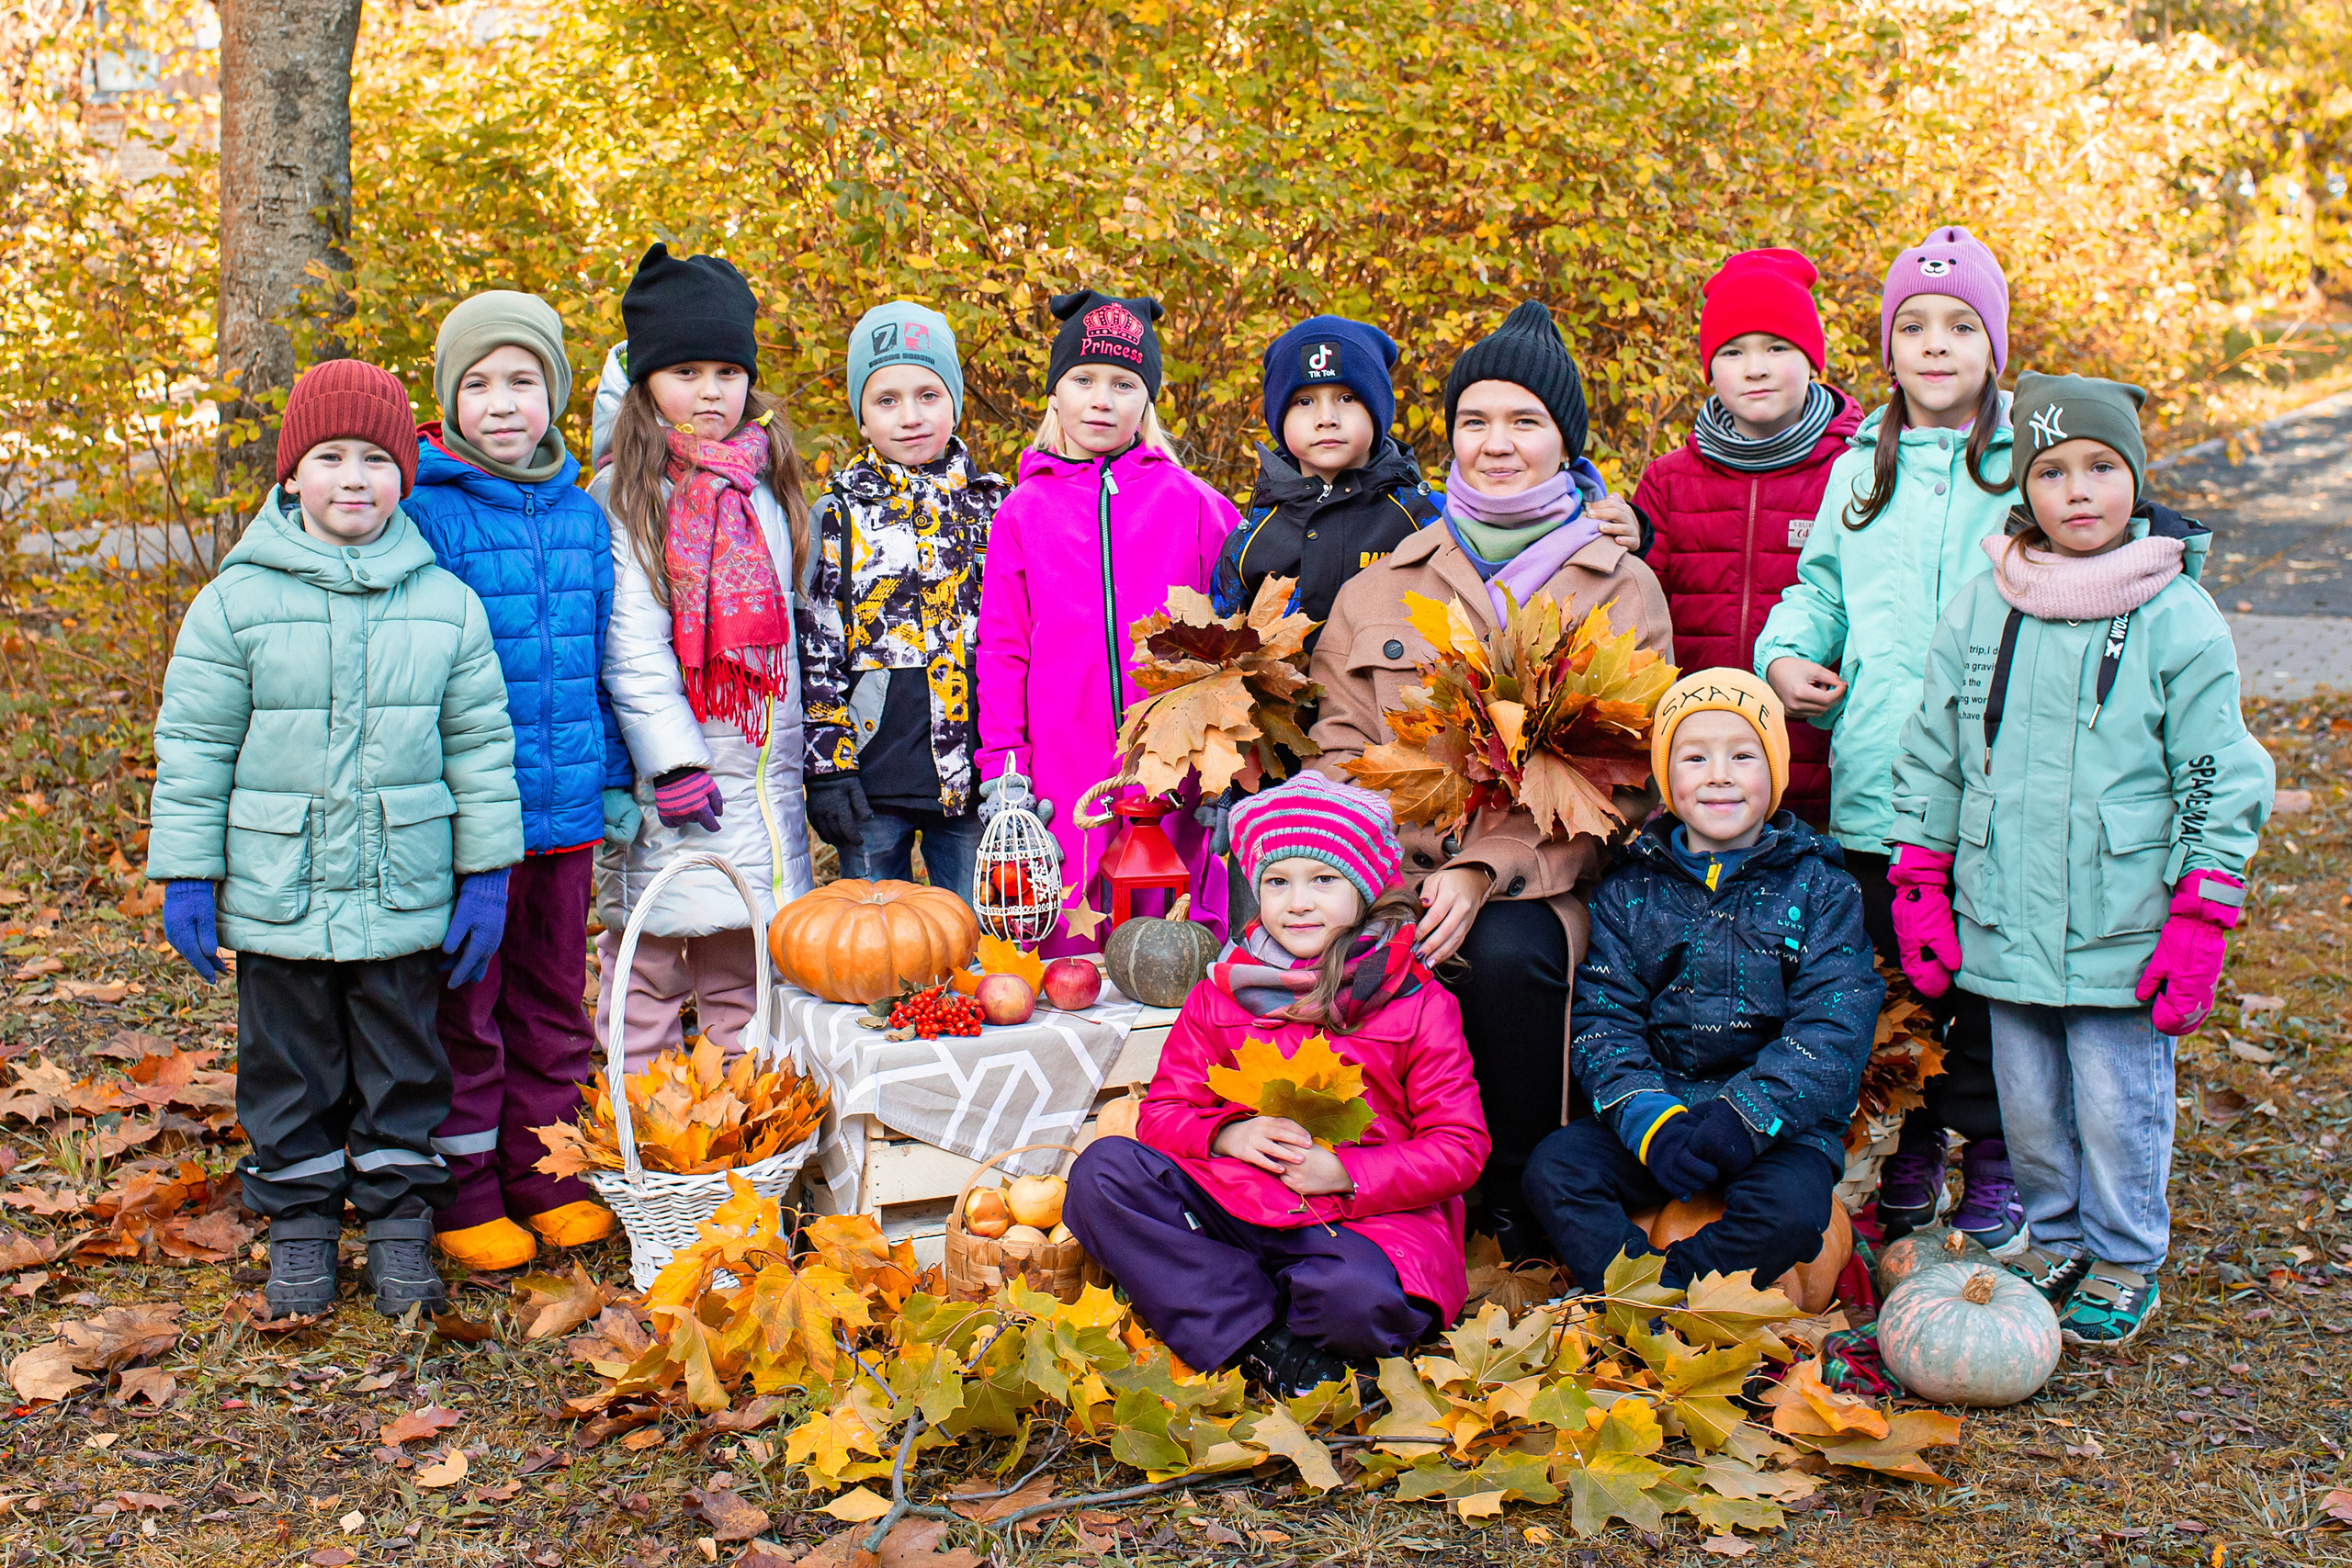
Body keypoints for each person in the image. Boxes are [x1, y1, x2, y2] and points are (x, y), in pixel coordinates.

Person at [1890, 372, 2272, 1346]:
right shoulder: (1985, 605)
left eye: (2101, 466)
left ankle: (2124, 1255)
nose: (2078, 491)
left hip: (2123, 919)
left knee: (2114, 1102)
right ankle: (2056, 1237)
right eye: (2052, 471)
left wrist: (2202, 910)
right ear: (2026, 487)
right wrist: (1921, 873)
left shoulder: (2176, 616)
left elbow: (2218, 773)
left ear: (2135, 477)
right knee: (2026, 1104)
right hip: (2005, 912)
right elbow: (1934, 751)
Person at [148, 359, 522, 1318]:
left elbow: (481, 748)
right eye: (330, 457)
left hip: (404, 883)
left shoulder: (445, 604)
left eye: (375, 459)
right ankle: (303, 1223)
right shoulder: (234, 603)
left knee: (406, 1063)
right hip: (280, 882)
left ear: (406, 475)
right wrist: (188, 871)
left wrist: (485, 874)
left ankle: (399, 1222)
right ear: (290, 473)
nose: (353, 478)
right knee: (288, 1065)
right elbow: (194, 746)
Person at [1308, 299, 1671, 1257]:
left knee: (1502, 954)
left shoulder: (1618, 585)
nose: (1496, 443)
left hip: (1543, 880)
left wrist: (1483, 868)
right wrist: (1380, 877)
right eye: (1475, 420)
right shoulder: (1383, 584)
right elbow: (1337, 746)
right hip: (1388, 869)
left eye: (1524, 422)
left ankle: (1512, 1206)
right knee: (1345, 951)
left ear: (1565, 443)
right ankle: (1371, 1200)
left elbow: (1622, 779)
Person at [1752, 225, 2023, 1252]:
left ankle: (1992, 1154)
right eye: (1913, 326)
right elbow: (1819, 587)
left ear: (1994, 345)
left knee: (1989, 979)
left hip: (1998, 780)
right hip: (1879, 777)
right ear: (1887, 347)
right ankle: (1908, 1143)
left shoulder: (2025, 462)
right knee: (1898, 978)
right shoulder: (1860, 467)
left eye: (1960, 326)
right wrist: (1788, 656)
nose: (1935, 345)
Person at [1063, 772, 1487, 1393]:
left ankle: (1233, 1313)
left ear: (1366, 887)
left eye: (1324, 879)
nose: (1298, 902)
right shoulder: (1221, 992)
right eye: (1277, 881)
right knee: (1102, 1174)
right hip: (1236, 1200)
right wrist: (1228, 1134)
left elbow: (1459, 1146)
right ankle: (1268, 1344)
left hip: (1360, 1222)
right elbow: (1163, 1112)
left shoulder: (1417, 1001)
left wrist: (1347, 1173)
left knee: (1356, 1300)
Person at [1521, 671, 1882, 1293]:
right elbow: (1605, 1023)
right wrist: (1650, 1121)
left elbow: (1832, 1030)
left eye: (1743, 756)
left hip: (1774, 1128)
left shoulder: (1823, 889)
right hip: (1664, 1116)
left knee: (1793, 1215)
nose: (1719, 775)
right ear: (1666, 778)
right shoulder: (1630, 890)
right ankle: (1637, 1285)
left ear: (1775, 773)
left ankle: (1666, 1291)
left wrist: (1744, 1117)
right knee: (1553, 1171)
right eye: (1695, 758)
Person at [404, 291, 627, 1271]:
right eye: (479, 383)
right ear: (449, 400)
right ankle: (465, 1188)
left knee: (552, 998)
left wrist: (612, 776)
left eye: (524, 381)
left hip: (566, 809)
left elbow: (600, 660)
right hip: (468, 820)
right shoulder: (427, 509)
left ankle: (546, 1170)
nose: (502, 403)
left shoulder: (581, 515)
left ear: (556, 394)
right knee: (467, 1003)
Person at [588, 243, 814, 1067]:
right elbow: (631, 647)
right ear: (647, 380)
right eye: (686, 372)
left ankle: (743, 1126)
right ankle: (641, 1123)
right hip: (674, 791)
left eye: (727, 371)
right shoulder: (627, 493)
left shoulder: (767, 486)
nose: (711, 391)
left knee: (744, 979)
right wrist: (675, 763)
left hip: (758, 782)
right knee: (645, 974)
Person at [974, 289, 1237, 953]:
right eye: (1083, 380)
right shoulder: (1022, 512)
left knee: (1175, 953)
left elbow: (1241, 647)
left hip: (1177, 777)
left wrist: (1231, 768)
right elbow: (1003, 651)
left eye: (1123, 384)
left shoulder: (1197, 506)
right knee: (1072, 959)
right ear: (1054, 394)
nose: (1101, 400)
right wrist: (1005, 769)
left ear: (1147, 400)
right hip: (1062, 778)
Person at [1629, 250, 1862, 827]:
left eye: (1777, 348)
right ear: (1710, 370)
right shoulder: (1667, 481)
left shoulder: (1858, 472)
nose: (1755, 369)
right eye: (1733, 352)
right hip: (1696, 789)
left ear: (1813, 361)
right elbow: (1636, 627)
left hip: (1825, 784)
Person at [798, 302, 1008, 904]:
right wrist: (828, 767)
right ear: (862, 418)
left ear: (955, 404)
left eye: (928, 395)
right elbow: (816, 649)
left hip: (973, 775)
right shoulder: (837, 514)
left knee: (975, 933)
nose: (910, 417)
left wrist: (1014, 759)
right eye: (887, 400)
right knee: (873, 936)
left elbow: (1019, 639)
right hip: (871, 779)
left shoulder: (996, 509)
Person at [1210, 314, 1440, 642]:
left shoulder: (1427, 520)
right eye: (1304, 402)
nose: (1327, 418)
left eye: (1347, 398)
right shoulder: (1252, 539)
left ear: (1377, 411)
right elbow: (1219, 651)